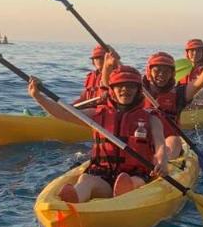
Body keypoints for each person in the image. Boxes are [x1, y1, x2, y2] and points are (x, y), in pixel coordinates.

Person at [28, 64, 166, 202]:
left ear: (138, 90)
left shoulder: (151, 118)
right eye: (120, 86)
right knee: (86, 179)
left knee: (133, 181)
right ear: (112, 90)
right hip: (102, 176)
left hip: (136, 175)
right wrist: (38, 97)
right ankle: (74, 198)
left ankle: (126, 190)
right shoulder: (97, 114)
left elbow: (160, 145)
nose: (125, 89)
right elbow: (63, 114)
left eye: (131, 86)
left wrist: (161, 161)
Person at [142, 44, 203, 159]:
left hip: (167, 145)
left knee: (174, 141)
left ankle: (164, 165)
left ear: (172, 74)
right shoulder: (137, 92)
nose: (161, 74)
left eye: (166, 71)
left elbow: (198, 84)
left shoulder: (178, 94)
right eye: (157, 70)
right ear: (149, 71)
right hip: (142, 140)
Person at [178, 39, 203, 105]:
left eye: (198, 51)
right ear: (187, 53)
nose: (195, 53)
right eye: (192, 50)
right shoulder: (181, 69)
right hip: (183, 106)